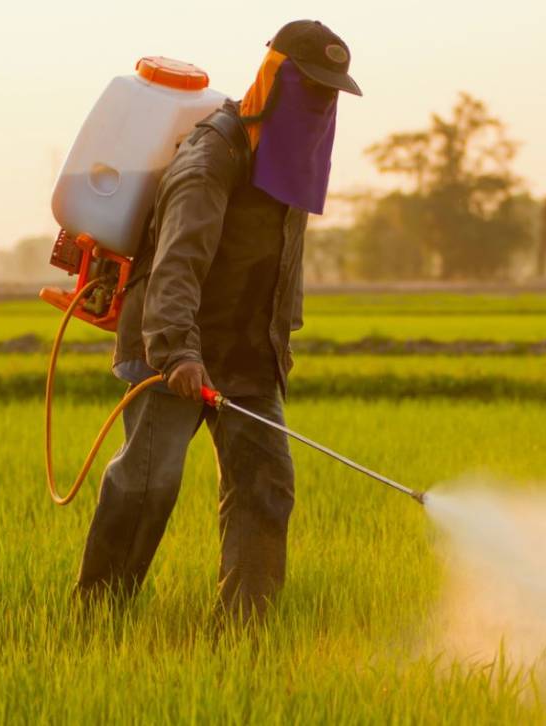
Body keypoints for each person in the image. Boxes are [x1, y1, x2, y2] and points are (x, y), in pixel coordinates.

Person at [73, 20, 361, 622]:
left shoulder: (291, 164)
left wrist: (278, 345)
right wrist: (178, 350)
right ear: (275, 78)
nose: (321, 101)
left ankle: (243, 635)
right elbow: (177, 264)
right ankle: (97, 617)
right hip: (173, 344)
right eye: (310, 85)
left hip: (247, 352)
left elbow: (283, 265)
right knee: (150, 482)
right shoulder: (211, 159)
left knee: (266, 485)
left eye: (331, 90)